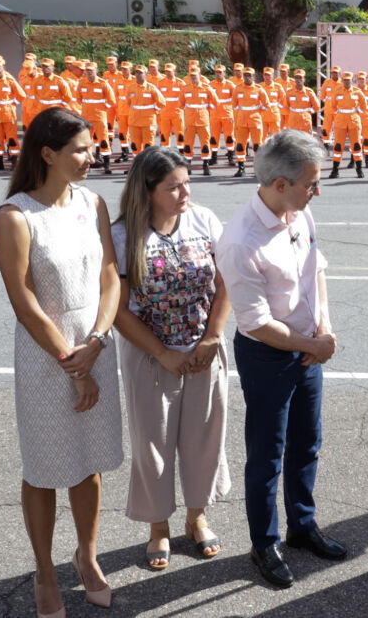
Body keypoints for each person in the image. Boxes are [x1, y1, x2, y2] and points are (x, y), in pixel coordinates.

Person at [0, 107, 124, 617]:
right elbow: (23, 299)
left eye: (91, 148)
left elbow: (111, 276)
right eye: (80, 150)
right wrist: (73, 361)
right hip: (49, 357)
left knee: (88, 461)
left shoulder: (92, 203)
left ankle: (87, 557)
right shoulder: (16, 215)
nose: (91, 158)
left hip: (94, 345)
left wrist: (97, 339)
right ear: (47, 154)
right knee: (46, 466)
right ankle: (45, 571)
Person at [218, 130, 347, 589]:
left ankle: (302, 526)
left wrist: (324, 330)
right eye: (311, 183)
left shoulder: (298, 213)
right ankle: (264, 542)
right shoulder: (241, 240)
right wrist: (312, 346)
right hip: (268, 356)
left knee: (307, 444)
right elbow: (254, 323)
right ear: (279, 184)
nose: (317, 190)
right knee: (267, 455)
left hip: (309, 348)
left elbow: (317, 272)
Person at [111, 147, 231, 571]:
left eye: (186, 181)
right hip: (150, 356)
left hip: (204, 350)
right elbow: (117, 309)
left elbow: (224, 281)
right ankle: (158, 526)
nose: (185, 192)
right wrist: (161, 353)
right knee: (153, 446)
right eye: (173, 186)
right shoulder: (123, 234)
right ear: (147, 192)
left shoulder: (204, 220)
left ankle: (197, 516)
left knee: (204, 438)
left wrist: (212, 337)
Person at [0, 55, 26, 171]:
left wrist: (12, 104)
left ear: (3, 67)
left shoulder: (10, 80)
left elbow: (22, 95)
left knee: (12, 139)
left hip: (8, 115)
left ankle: (14, 161)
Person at [76, 61, 116, 175]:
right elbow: (78, 98)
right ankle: (88, 162)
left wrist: (103, 108)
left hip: (99, 117)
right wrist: (85, 108)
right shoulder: (82, 83)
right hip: (86, 117)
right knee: (86, 141)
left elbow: (112, 101)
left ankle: (107, 164)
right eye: (87, 71)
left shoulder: (103, 84)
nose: (89, 73)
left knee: (103, 140)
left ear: (96, 71)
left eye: (91, 70)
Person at [327, 70, 367, 179]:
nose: (346, 82)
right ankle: (335, 170)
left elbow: (364, 106)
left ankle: (359, 169)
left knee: (356, 145)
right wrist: (341, 113)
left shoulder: (358, 92)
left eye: (348, 80)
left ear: (352, 80)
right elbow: (333, 105)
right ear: (342, 80)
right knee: (338, 146)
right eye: (344, 80)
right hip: (341, 121)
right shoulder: (338, 91)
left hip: (354, 121)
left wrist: (356, 111)